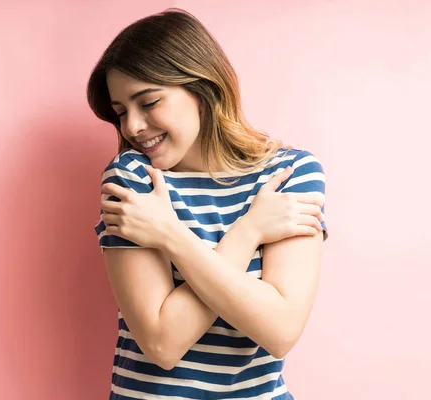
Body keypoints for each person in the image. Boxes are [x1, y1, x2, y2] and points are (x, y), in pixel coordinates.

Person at [86, 8, 328, 400]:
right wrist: (249, 231)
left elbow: (280, 332)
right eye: (121, 112)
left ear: (203, 87)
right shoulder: (132, 180)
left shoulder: (290, 173)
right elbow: (163, 343)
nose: (132, 127)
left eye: (148, 102)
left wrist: (169, 235)